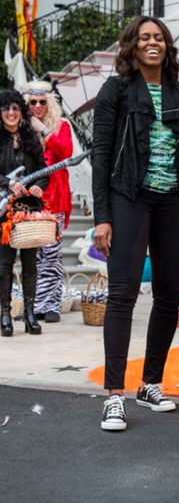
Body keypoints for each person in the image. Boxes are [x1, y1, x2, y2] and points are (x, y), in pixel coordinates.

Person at [92, 16, 179, 431]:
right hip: (129, 196)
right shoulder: (115, 90)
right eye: (145, 37)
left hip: (174, 202)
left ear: (167, 46)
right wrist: (102, 218)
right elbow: (101, 154)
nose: (153, 42)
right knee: (123, 293)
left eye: (159, 37)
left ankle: (150, 383)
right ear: (132, 45)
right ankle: (115, 395)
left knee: (168, 293)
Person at [21, 80, 73, 323]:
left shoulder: (61, 126)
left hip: (56, 196)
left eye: (43, 102)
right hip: (30, 198)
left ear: (49, 103)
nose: (38, 105)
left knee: (52, 253)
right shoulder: (19, 129)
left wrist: (42, 128)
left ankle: (50, 304)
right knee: (33, 253)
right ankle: (34, 305)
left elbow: (66, 152)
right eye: (33, 102)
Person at [0, 90, 48, 337]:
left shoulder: (31, 140)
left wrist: (40, 185)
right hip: (3, 213)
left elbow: (44, 172)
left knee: (31, 264)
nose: (11, 113)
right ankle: (5, 314)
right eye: (6, 108)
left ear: (21, 112)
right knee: (4, 264)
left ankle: (30, 314)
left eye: (15, 108)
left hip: (28, 212)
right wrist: (7, 184)